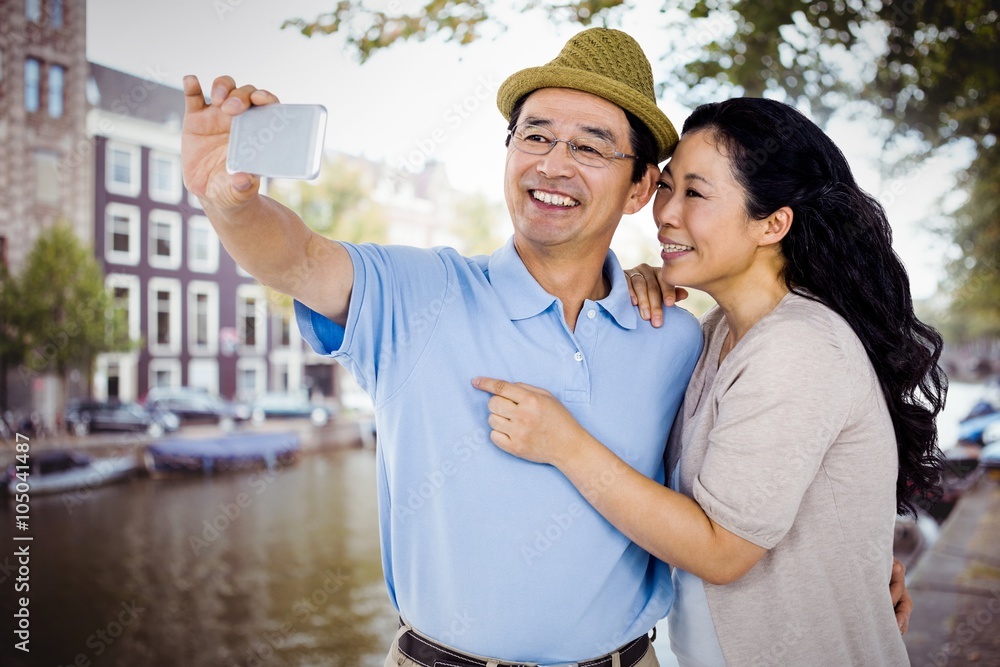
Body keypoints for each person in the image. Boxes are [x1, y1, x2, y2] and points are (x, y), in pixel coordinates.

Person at [182, 28, 911, 665]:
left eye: (591, 146)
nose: (553, 163)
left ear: (635, 189)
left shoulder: (677, 337)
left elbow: (742, 504)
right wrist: (230, 201)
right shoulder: (419, 293)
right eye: (535, 135)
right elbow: (297, 259)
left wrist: (853, 558)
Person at [472, 97, 945, 665]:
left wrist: (562, 444)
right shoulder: (718, 332)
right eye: (667, 187)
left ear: (772, 223)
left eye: (695, 193)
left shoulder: (798, 345)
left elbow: (722, 550)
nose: (665, 212)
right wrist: (621, 289)